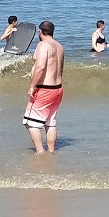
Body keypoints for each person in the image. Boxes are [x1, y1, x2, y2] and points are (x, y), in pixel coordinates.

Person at [23, 21, 64, 153]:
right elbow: (60, 69)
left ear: (40, 32)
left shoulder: (43, 45)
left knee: (30, 123)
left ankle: (40, 152)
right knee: (50, 122)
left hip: (44, 89)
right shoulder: (59, 46)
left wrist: (32, 86)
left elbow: (40, 67)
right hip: (57, 88)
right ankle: (51, 151)